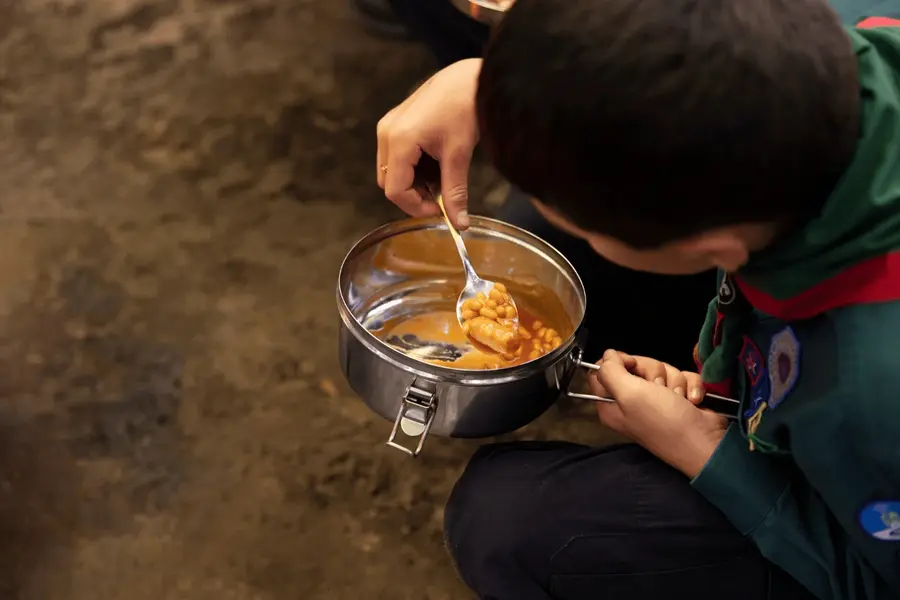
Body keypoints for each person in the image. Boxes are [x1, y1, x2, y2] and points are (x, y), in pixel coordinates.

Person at [377, 0, 900, 598]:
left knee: (508, 522)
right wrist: (498, 85)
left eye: (595, 226)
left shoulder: (870, 400)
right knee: (543, 239)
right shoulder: (846, 60)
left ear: (713, 246)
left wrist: (709, 454)